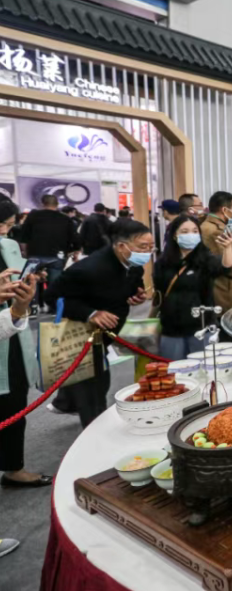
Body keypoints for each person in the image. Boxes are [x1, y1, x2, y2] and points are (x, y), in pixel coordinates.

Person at [48, 219, 151, 428]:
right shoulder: (89, 269)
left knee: (89, 382)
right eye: (143, 246)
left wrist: (135, 294)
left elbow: (130, 284)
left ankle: (66, 402)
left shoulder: (132, 264)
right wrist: (91, 313)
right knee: (94, 390)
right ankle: (95, 433)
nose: (147, 252)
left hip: (106, 335)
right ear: (121, 246)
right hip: (83, 337)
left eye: (151, 247)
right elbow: (52, 296)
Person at [0, 199, 49, 489]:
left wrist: (29, 280)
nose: (5, 231)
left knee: (14, 401)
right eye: (2, 224)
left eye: (8, 225)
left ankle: (13, 466)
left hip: (11, 333)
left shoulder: (7, 246)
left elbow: (17, 278)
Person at [155, 216, 232, 360]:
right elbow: (159, 293)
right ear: (174, 235)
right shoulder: (163, 263)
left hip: (201, 326)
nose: (190, 235)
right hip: (171, 328)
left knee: (204, 367)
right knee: (173, 368)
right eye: (184, 231)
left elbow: (225, 267)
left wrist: (228, 248)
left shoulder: (205, 259)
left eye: (194, 231)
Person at [18, 195, 80, 304]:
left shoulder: (33, 216)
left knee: (31, 282)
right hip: (57, 256)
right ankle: (54, 307)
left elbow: (24, 236)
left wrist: (24, 253)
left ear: (42, 203)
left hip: (35, 254)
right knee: (55, 284)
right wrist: (75, 253)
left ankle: (32, 306)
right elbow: (74, 238)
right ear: (57, 204)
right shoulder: (65, 219)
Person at [199, 192, 232, 317]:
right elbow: (227, 262)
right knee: (230, 321)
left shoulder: (208, 225)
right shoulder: (216, 230)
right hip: (225, 286)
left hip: (222, 284)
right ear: (225, 210)